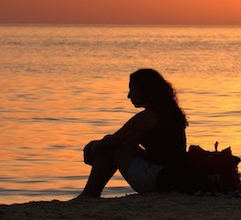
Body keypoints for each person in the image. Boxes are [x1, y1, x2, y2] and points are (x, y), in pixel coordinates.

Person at [78, 69, 188, 198]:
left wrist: (92, 147)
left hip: (161, 181)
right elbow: (130, 143)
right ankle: (90, 194)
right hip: (173, 178)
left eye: (132, 89)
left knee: (112, 146)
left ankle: (89, 194)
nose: (129, 96)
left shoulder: (147, 117)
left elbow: (113, 141)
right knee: (116, 145)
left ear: (145, 91)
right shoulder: (170, 113)